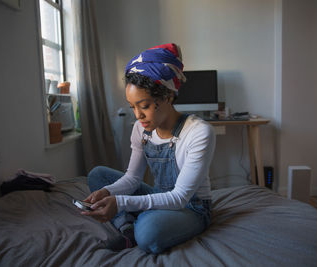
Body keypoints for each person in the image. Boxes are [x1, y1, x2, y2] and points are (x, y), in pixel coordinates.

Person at [81, 43, 216, 254]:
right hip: (159, 195)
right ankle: (127, 230)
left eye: (144, 106)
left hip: (190, 207)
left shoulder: (199, 132)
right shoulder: (140, 129)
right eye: (132, 107)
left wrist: (121, 203)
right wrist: (108, 193)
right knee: (98, 176)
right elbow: (132, 179)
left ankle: (137, 223)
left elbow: (180, 197)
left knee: (147, 233)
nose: (137, 115)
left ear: (168, 96)